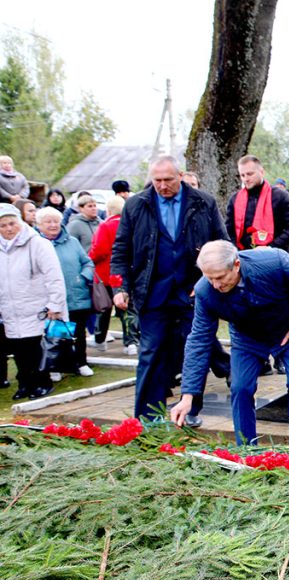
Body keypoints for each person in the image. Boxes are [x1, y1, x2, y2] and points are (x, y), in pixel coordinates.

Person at [111, 154, 230, 422]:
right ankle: (147, 417)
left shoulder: (203, 203)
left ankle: (191, 411)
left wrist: (205, 281)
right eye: (157, 180)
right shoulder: (135, 205)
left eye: (167, 180)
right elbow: (120, 250)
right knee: (151, 353)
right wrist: (120, 287)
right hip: (152, 293)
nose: (162, 186)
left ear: (180, 175)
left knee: (195, 351)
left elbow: (222, 244)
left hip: (192, 292)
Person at [170, 241, 289, 447]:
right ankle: (247, 451)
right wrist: (188, 396)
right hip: (246, 339)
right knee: (240, 388)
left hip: (287, 331)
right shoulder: (205, 291)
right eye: (209, 278)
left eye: (220, 277)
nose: (216, 285)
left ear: (236, 265)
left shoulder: (274, 261)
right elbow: (199, 341)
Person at [0, 203, 64, 399]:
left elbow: (54, 276)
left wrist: (55, 304)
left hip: (36, 306)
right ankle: (25, 384)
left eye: (12, 223)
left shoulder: (38, 244)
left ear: (19, 222)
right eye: (3, 225)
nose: (9, 229)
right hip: (10, 307)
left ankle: (43, 383)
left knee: (35, 347)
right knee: (18, 350)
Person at [36, 206, 96, 377]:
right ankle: (56, 366)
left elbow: (87, 262)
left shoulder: (72, 242)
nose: (53, 225)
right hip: (50, 297)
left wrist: (83, 277)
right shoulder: (37, 244)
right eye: (48, 221)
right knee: (55, 333)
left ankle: (81, 362)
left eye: (56, 221)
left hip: (76, 294)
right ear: (39, 224)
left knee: (78, 332)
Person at [226, 155, 289, 253]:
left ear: (261, 172)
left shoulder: (280, 196)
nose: (246, 179)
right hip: (244, 257)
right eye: (242, 175)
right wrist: (236, 250)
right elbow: (229, 231)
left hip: (276, 256)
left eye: (250, 174)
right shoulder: (234, 199)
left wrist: (271, 247)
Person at [90, 195, 137, 354]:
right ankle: (130, 341)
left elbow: (99, 250)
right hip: (127, 273)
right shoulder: (131, 225)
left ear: (108, 210)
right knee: (127, 308)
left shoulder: (105, 226)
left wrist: (91, 259)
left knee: (104, 309)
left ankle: (99, 339)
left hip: (106, 273)